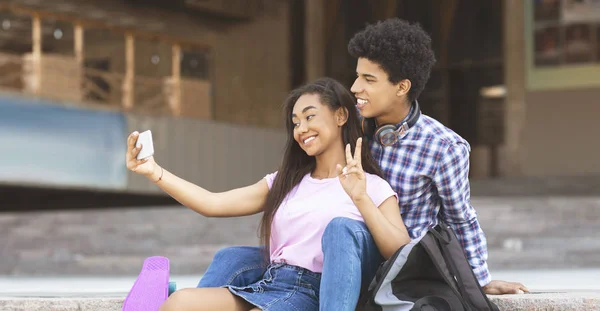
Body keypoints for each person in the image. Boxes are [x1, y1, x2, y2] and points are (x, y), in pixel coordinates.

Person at [197, 17, 529, 311]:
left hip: (389, 260)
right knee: (234, 258)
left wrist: (479, 278)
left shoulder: (443, 147)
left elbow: (460, 218)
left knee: (342, 229)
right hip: (324, 256)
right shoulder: (348, 120)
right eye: (357, 76)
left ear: (401, 87)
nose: (355, 88)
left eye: (368, 79)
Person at [124, 77, 411, 311]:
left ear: (340, 115)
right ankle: (166, 294)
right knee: (179, 304)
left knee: (340, 228)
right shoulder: (284, 182)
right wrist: (154, 172)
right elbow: (213, 203)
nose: (302, 129)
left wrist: (360, 198)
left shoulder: (371, 186)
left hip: (315, 294)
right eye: (296, 122)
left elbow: (401, 250)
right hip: (270, 282)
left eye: (310, 117)